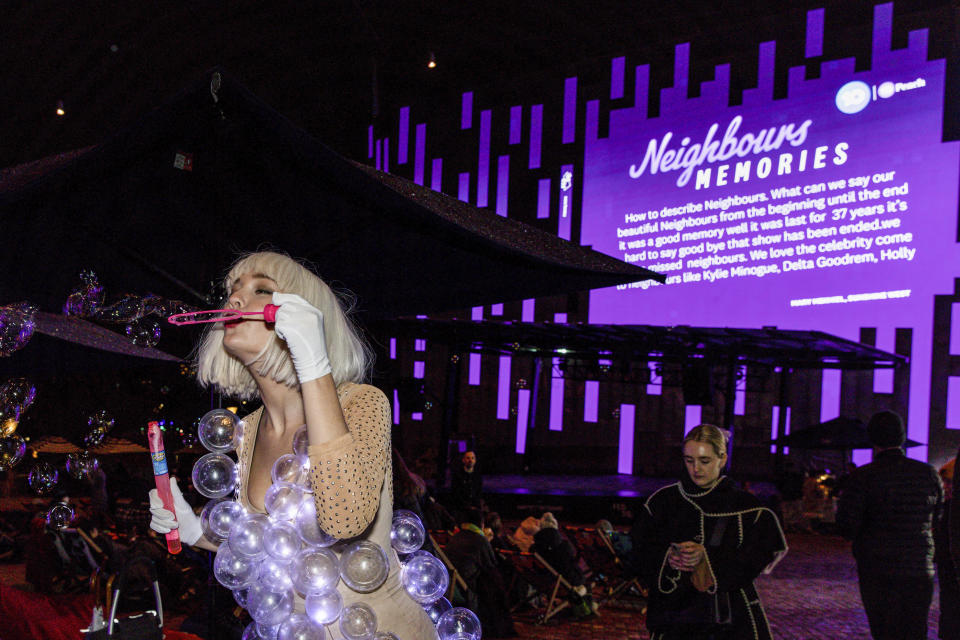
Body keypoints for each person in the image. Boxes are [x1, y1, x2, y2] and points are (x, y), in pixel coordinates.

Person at [148, 251, 437, 638]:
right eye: (232, 290)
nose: (234, 299)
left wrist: (313, 362)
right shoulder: (248, 431)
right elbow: (281, 551)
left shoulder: (362, 403)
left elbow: (344, 520)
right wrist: (195, 532)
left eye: (260, 289)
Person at [633, 424, 787, 640]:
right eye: (689, 460)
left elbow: (762, 555)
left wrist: (708, 560)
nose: (696, 468)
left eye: (704, 461)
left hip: (730, 618)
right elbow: (638, 550)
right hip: (675, 615)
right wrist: (667, 557)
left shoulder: (748, 507)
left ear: (722, 459)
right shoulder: (662, 502)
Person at [837, 410, 943, 640]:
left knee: (884, 629)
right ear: (902, 437)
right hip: (919, 565)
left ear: (873, 439)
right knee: (916, 629)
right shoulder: (928, 474)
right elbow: (938, 518)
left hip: (878, 566)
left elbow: (847, 525)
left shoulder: (863, 476)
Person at [444, 507, 518, 637]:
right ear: (481, 523)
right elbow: (491, 564)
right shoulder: (479, 540)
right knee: (495, 582)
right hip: (466, 586)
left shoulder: (456, 538)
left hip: (452, 583)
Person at [935, 458, 958, 640]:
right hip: (947, 563)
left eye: (949, 482)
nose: (945, 487)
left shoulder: (950, 510)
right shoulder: (947, 508)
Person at [449, 450, 483, 520]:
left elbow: (479, 492)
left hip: (475, 506)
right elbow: (456, 493)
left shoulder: (477, 476)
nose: (470, 460)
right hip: (461, 507)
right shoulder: (457, 475)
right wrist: (466, 506)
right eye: (468, 458)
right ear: (463, 460)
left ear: (475, 460)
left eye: (472, 458)